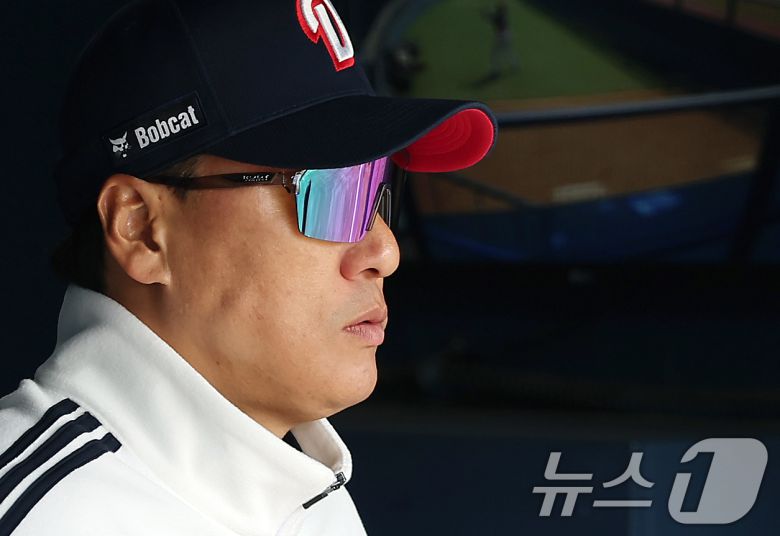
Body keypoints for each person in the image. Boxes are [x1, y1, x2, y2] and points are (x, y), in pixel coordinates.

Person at [0, 0, 496, 534]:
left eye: (375, 190)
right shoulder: (37, 515)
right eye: (326, 192)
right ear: (141, 230)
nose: (386, 251)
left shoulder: (313, 502)